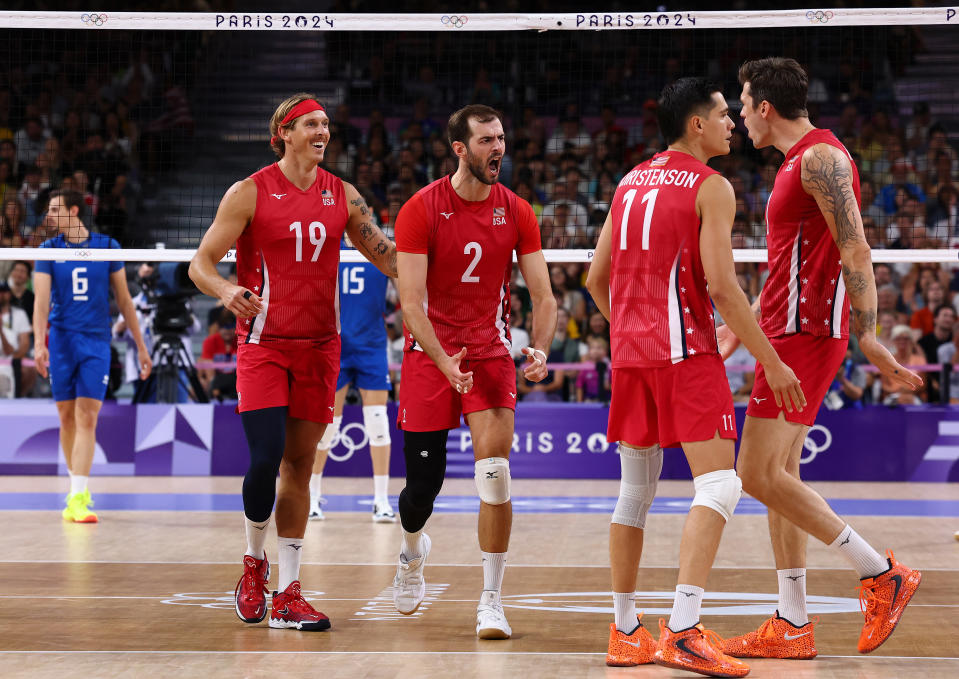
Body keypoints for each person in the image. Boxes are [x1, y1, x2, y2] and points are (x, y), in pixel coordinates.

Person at [587, 77, 802, 678]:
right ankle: (682, 629)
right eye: (723, 114)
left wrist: (634, 330)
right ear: (695, 126)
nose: (733, 121)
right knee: (719, 487)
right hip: (686, 357)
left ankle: (625, 631)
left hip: (632, 357)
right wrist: (773, 361)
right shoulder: (713, 186)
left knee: (634, 493)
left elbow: (595, 281)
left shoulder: (628, 182)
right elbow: (724, 291)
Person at [720, 57, 923, 660]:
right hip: (784, 327)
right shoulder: (797, 162)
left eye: (742, 100)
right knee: (781, 478)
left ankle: (878, 573)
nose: (736, 114)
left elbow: (856, 249)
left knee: (755, 475)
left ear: (765, 108)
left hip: (807, 333)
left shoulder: (820, 157)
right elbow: (786, 264)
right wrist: (740, 333)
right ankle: (792, 622)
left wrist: (869, 339)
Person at [188, 94, 397, 633]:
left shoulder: (344, 196)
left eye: (325, 124)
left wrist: (444, 246)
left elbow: (389, 258)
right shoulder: (249, 192)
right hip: (263, 343)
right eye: (310, 124)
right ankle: (254, 563)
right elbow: (201, 263)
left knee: (299, 466)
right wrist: (226, 289)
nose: (322, 131)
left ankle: (290, 591)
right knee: (266, 458)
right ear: (283, 132)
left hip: (321, 347)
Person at [390, 104, 556, 640]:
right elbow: (410, 301)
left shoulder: (517, 211)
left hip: (487, 353)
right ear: (460, 148)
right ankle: (413, 551)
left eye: (501, 138)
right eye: (486, 140)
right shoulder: (421, 208)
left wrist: (541, 349)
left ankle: (491, 601)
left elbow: (543, 296)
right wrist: (442, 360)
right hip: (429, 354)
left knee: (495, 471)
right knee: (423, 486)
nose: (498, 148)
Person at [33, 189, 152, 522]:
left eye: (55, 210)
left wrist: (141, 346)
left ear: (74, 211)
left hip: (96, 342)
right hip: (61, 341)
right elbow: (41, 301)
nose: (49, 216)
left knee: (87, 417)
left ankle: (78, 497)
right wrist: (40, 344)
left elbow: (125, 301)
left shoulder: (107, 247)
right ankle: (75, 491)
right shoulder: (48, 250)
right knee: (66, 417)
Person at [310, 238, 396, 523]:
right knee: (327, 426)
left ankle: (381, 499)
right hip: (335, 344)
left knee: (378, 423)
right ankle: (312, 496)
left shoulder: (383, 252)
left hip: (371, 347)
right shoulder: (330, 251)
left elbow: (405, 293)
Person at [0, 279, 31, 398]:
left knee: (26, 369)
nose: (1, 295)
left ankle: (19, 398)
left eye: (4, 291)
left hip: (11, 359)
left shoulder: (19, 314)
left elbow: (24, 346)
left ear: (9, 294)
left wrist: (12, 360)